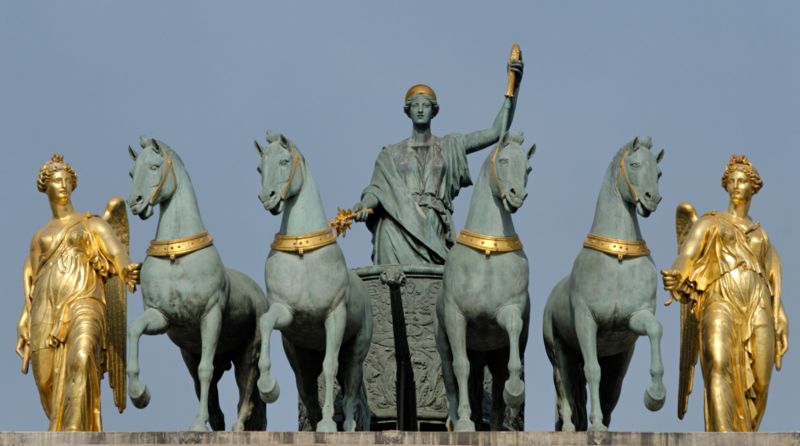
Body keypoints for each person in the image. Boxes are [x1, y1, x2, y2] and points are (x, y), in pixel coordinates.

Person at [352, 59, 523, 264]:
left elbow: (496, 132)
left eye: (426, 105)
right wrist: (363, 205)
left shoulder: (450, 145)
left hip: (435, 226)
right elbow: (377, 190)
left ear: (434, 110)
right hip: (397, 227)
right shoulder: (390, 154)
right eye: (415, 105)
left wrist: (513, 87)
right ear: (408, 111)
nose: (421, 109)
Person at [662, 155, 788, 432]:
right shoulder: (710, 222)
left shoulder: (761, 236)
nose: (736, 186)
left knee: (761, 380)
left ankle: (746, 433)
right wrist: (677, 274)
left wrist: (780, 316)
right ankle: (723, 437)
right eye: (731, 181)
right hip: (720, 299)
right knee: (717, 363)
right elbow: (687, 255)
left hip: (758, 305)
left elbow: (773, 280)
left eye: (742, 181)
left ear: (754, 186)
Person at [16, 154, 140, 431]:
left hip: (85, 302)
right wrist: (24, 318)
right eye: (56, 180)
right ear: (45, 187)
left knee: (82, 358)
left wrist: (125, 269)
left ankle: (72, 433)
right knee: (46, 379)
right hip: (45, 311)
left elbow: (116, 251)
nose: (62, 185)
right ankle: (60, 426)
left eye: (66, 180)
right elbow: (33, 282)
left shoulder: (91, 224)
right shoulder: (39, 237)